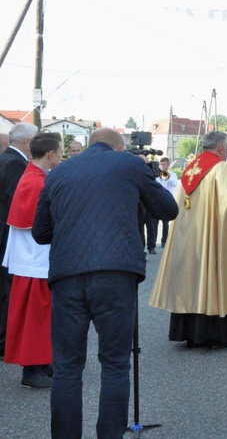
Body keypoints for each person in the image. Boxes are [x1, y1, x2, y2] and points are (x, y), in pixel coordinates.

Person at [32, 127, 178, 438]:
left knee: (68, 368)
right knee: (114, 363)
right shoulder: (129, 164)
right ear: (118, 148)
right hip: (115, 275)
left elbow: (40, 232)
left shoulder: (59, 172)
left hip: (67, 276)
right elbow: (168, 209)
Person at [149, 131, 227, 349]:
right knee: (215, 276)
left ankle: (190, 334)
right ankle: (215, 335)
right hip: (213, 237)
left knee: (192, 279)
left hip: (190, 237)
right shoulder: (219, 168)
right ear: (220, 148)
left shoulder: (191, 168)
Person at [3, 132, 62, 389]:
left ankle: (42, 361)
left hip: (34, 258)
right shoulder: (36, 182)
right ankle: (31, 370)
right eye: (60, 152)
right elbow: (41, 222)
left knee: (41, 315)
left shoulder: (34, 176)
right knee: (35, 317)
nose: (62, 156)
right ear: (51, 154)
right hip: (35, 259)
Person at [0, 122, 37, 360]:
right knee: (6, 291)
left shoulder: (6, 159)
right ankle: (3, 342)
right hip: (6, 236)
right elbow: (18, 202)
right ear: (27, 142)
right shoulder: (15, 163)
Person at [155, 157, 179, 248]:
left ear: (168, 165)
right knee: (155, 223)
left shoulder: (172, 174)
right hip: (157, 200)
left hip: (167, 200)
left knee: (165, 223)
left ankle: (164, 241)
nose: (162, 166)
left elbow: (175, 184)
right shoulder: (156, 175)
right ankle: (153, 243)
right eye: (161, 164)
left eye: (164, 164)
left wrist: (166, 176)